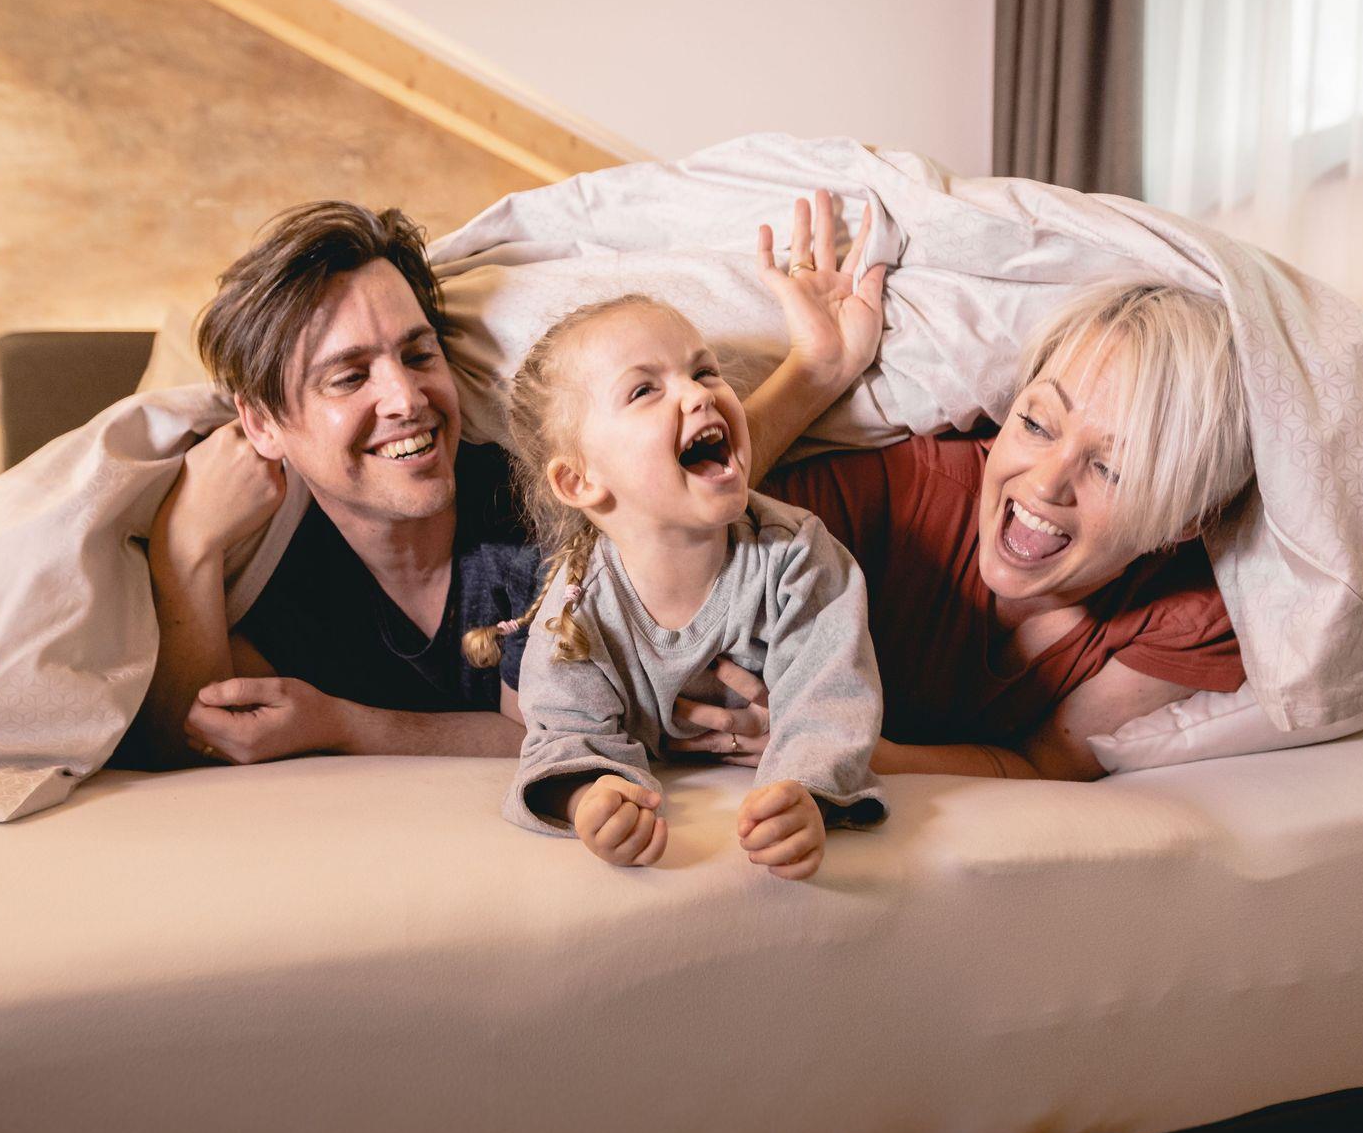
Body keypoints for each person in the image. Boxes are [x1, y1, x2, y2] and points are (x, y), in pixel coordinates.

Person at [130, 192, 876, 768]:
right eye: (349, 376)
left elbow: (661, 477)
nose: (407, 398)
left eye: (419, 355)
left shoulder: (530, 511)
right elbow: (190, 742)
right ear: (262, 423)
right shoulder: (273, 566)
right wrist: (184, 549)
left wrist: (344, 725)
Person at [686, 280, 1254, 782]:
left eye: (1112, 469)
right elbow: (677, 512)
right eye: (1037, 424)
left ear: (1184, 522)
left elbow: (1043, 763)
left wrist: (844, 742)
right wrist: (815, 370)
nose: (1045, 483)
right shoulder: (912, 489)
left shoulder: (1189, 615)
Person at [475, 289, 886, 882]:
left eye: (704, 371)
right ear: (579, 481)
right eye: (644, 390)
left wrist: (805, 795)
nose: (699, 394)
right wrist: (591, 799)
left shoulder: (797, 557)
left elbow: (829, 701)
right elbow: (564, 736)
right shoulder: (575, 609)